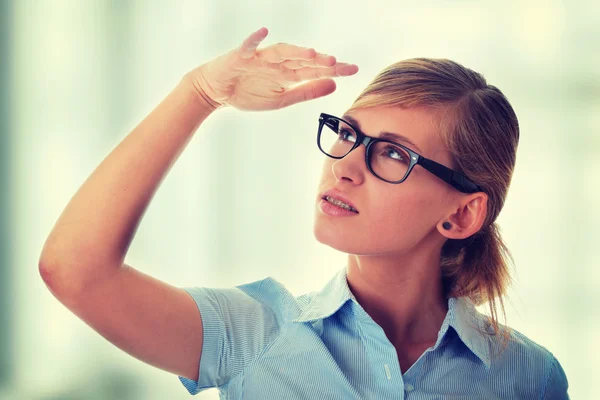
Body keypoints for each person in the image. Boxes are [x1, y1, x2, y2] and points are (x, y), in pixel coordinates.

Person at [39, 27, 569, 399]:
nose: (344, 166)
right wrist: (199, 93)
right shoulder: (254, 333)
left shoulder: (530, 379)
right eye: (348, 134)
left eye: (392, 153)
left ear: (461, 215)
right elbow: (75, 271)